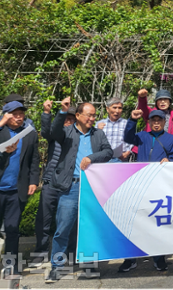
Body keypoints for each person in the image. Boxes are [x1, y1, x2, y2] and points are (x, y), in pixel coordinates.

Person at [46, 98, 113, 283]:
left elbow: (108, 152)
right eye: (89, 115)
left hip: (92, 187)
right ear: (78, 116)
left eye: (94, 115)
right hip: (71, 187)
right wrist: (61, 112)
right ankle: (56, 267)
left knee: (90, 227)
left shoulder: (98, 134)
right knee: (63, 228)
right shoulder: (67, 132)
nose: (92, 118)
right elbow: (53, 132)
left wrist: (92, 157)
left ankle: (89, 265)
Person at [118, 109, 173, 272]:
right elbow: (127, 137)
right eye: (153, 120)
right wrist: (132, 120)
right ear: (149, 122)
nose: (156, 123)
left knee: (157, 222)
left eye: (159, 120)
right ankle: (130, 258)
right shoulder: (141, 136)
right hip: (140, 185)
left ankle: (159, 258)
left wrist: (170, 160)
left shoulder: (171, 139)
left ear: (163, 122)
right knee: (134, 222)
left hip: (160, 186)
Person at [0, 101, 39, 271]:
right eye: (14, 114)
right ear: (6, 114)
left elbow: (34, 159)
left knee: (12, 230)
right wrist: (0, 123)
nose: (19, 118)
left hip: (15, 190)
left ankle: (10, 265)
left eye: (21, 114)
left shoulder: (29, 134)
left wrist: (33, 180)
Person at [32, 102, 77, 267]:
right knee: (43, 219)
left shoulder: (76, 139)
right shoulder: (55, 135)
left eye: (71, 120)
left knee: (69, 220)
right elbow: (45, 131)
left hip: (69, 184)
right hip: (50, 182)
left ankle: (70, 253)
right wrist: (46, 112)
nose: (67, 122)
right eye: (65, 119)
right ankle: (40, 252)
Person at [137, 88, 173, 152]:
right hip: (150, 149)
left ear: (170, 102)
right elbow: (143, 108)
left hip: (167, 150)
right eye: (160, 99)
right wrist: (142, 98)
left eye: (165, 99)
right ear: (156, 102)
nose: (162, 102)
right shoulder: (150, 113)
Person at [96, 97, 133, 162]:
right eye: (114, 107)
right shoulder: (99, 124)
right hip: (103, 160)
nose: (117, 111)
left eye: (120, 108)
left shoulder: (127, 124)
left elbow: (132, 141)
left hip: (121, 160)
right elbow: (94, 142)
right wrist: (98, 131)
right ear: (107, 109)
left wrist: (127, 153)